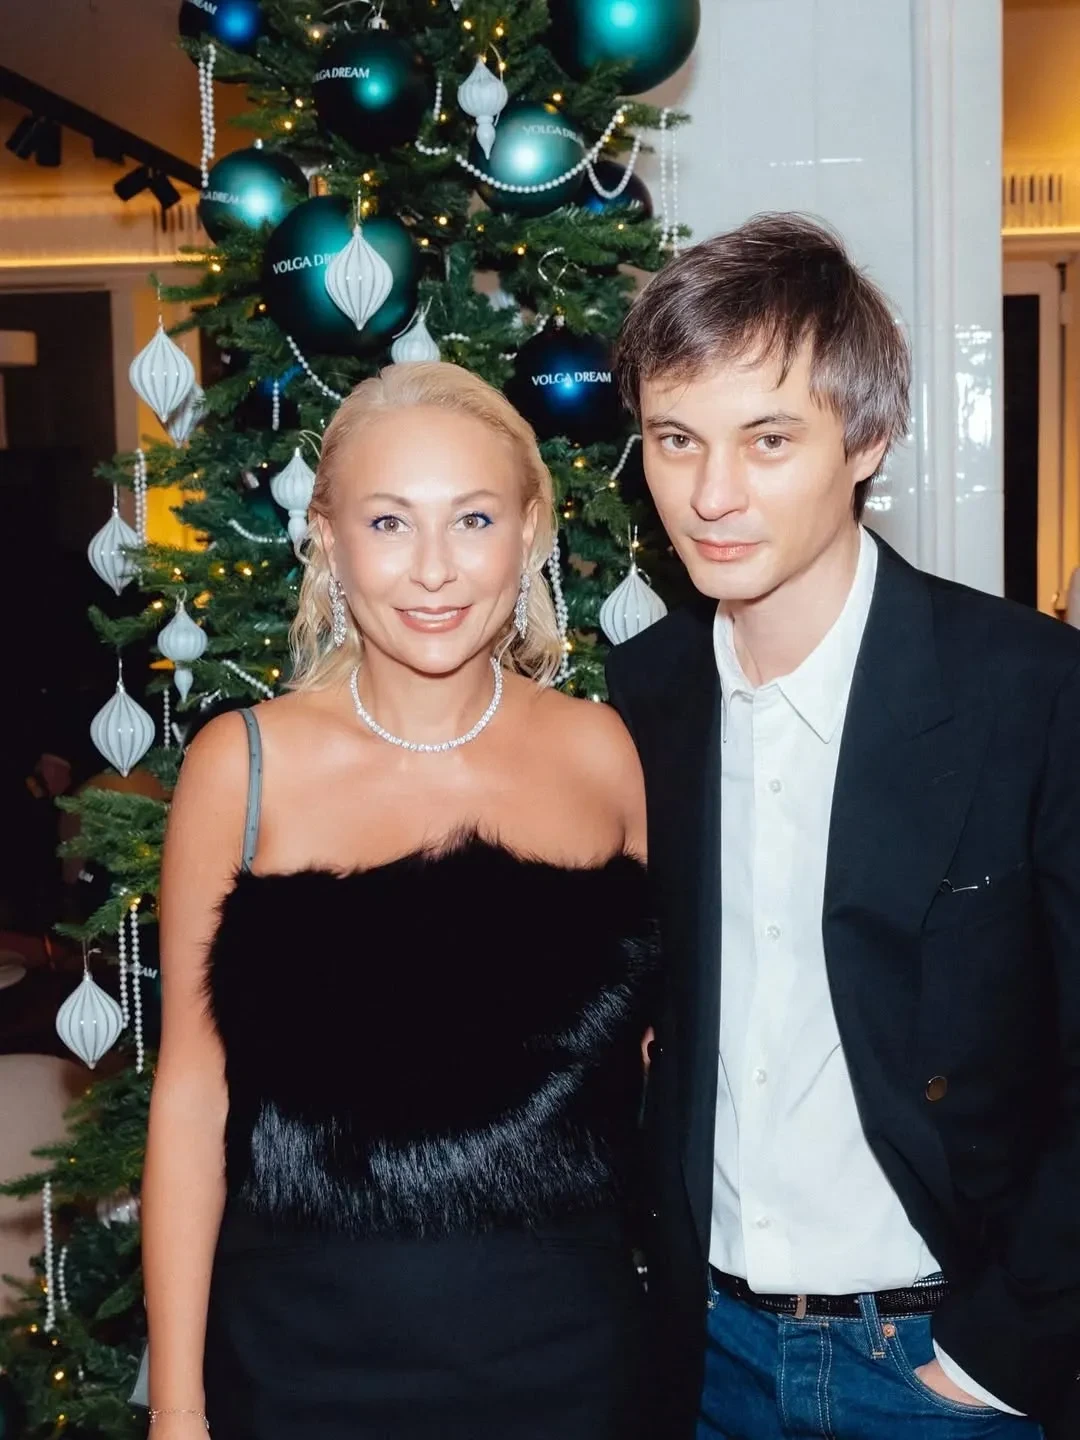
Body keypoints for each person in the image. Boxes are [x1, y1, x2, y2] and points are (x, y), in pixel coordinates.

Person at [607, 213, 1080, 1439]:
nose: (711, 495)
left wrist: (1009, 1346)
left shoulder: (1031, 691)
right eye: (675, 439)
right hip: (702, 1361)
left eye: (769, 440)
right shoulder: (641, 697)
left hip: (941, 1368)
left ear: (867, 438)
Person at [142, 361, 654, 1440]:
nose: (432, 569)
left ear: (529, 532)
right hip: (298, 1364)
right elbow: (191, 1098)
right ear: (327, 540)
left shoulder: (603, 754)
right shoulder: (242, 768)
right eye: (388, 522)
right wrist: (178, 1411)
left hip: (570, 1361)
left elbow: (658, 1062)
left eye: (473, 519)